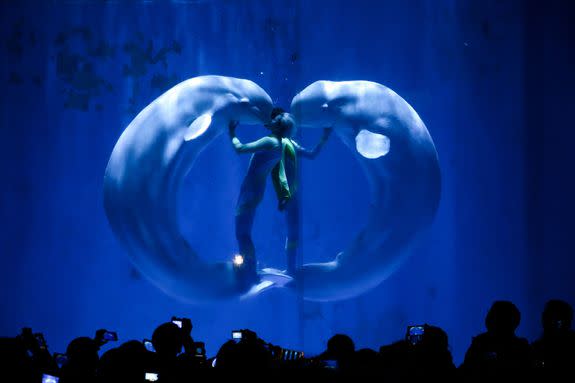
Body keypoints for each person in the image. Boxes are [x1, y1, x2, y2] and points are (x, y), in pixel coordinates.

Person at [228, 107, 331, 281]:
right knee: (247, 233)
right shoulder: (287, 143)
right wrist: (324, 136)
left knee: (242, 233)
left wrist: (231, 131)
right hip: (256, 190)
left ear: (280, 126)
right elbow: (290, 167)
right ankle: (267, 268)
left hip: (249, 190)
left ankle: (250, 271)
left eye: (277, 119)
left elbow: (240, 148)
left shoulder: (271, 142)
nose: (272, 119)